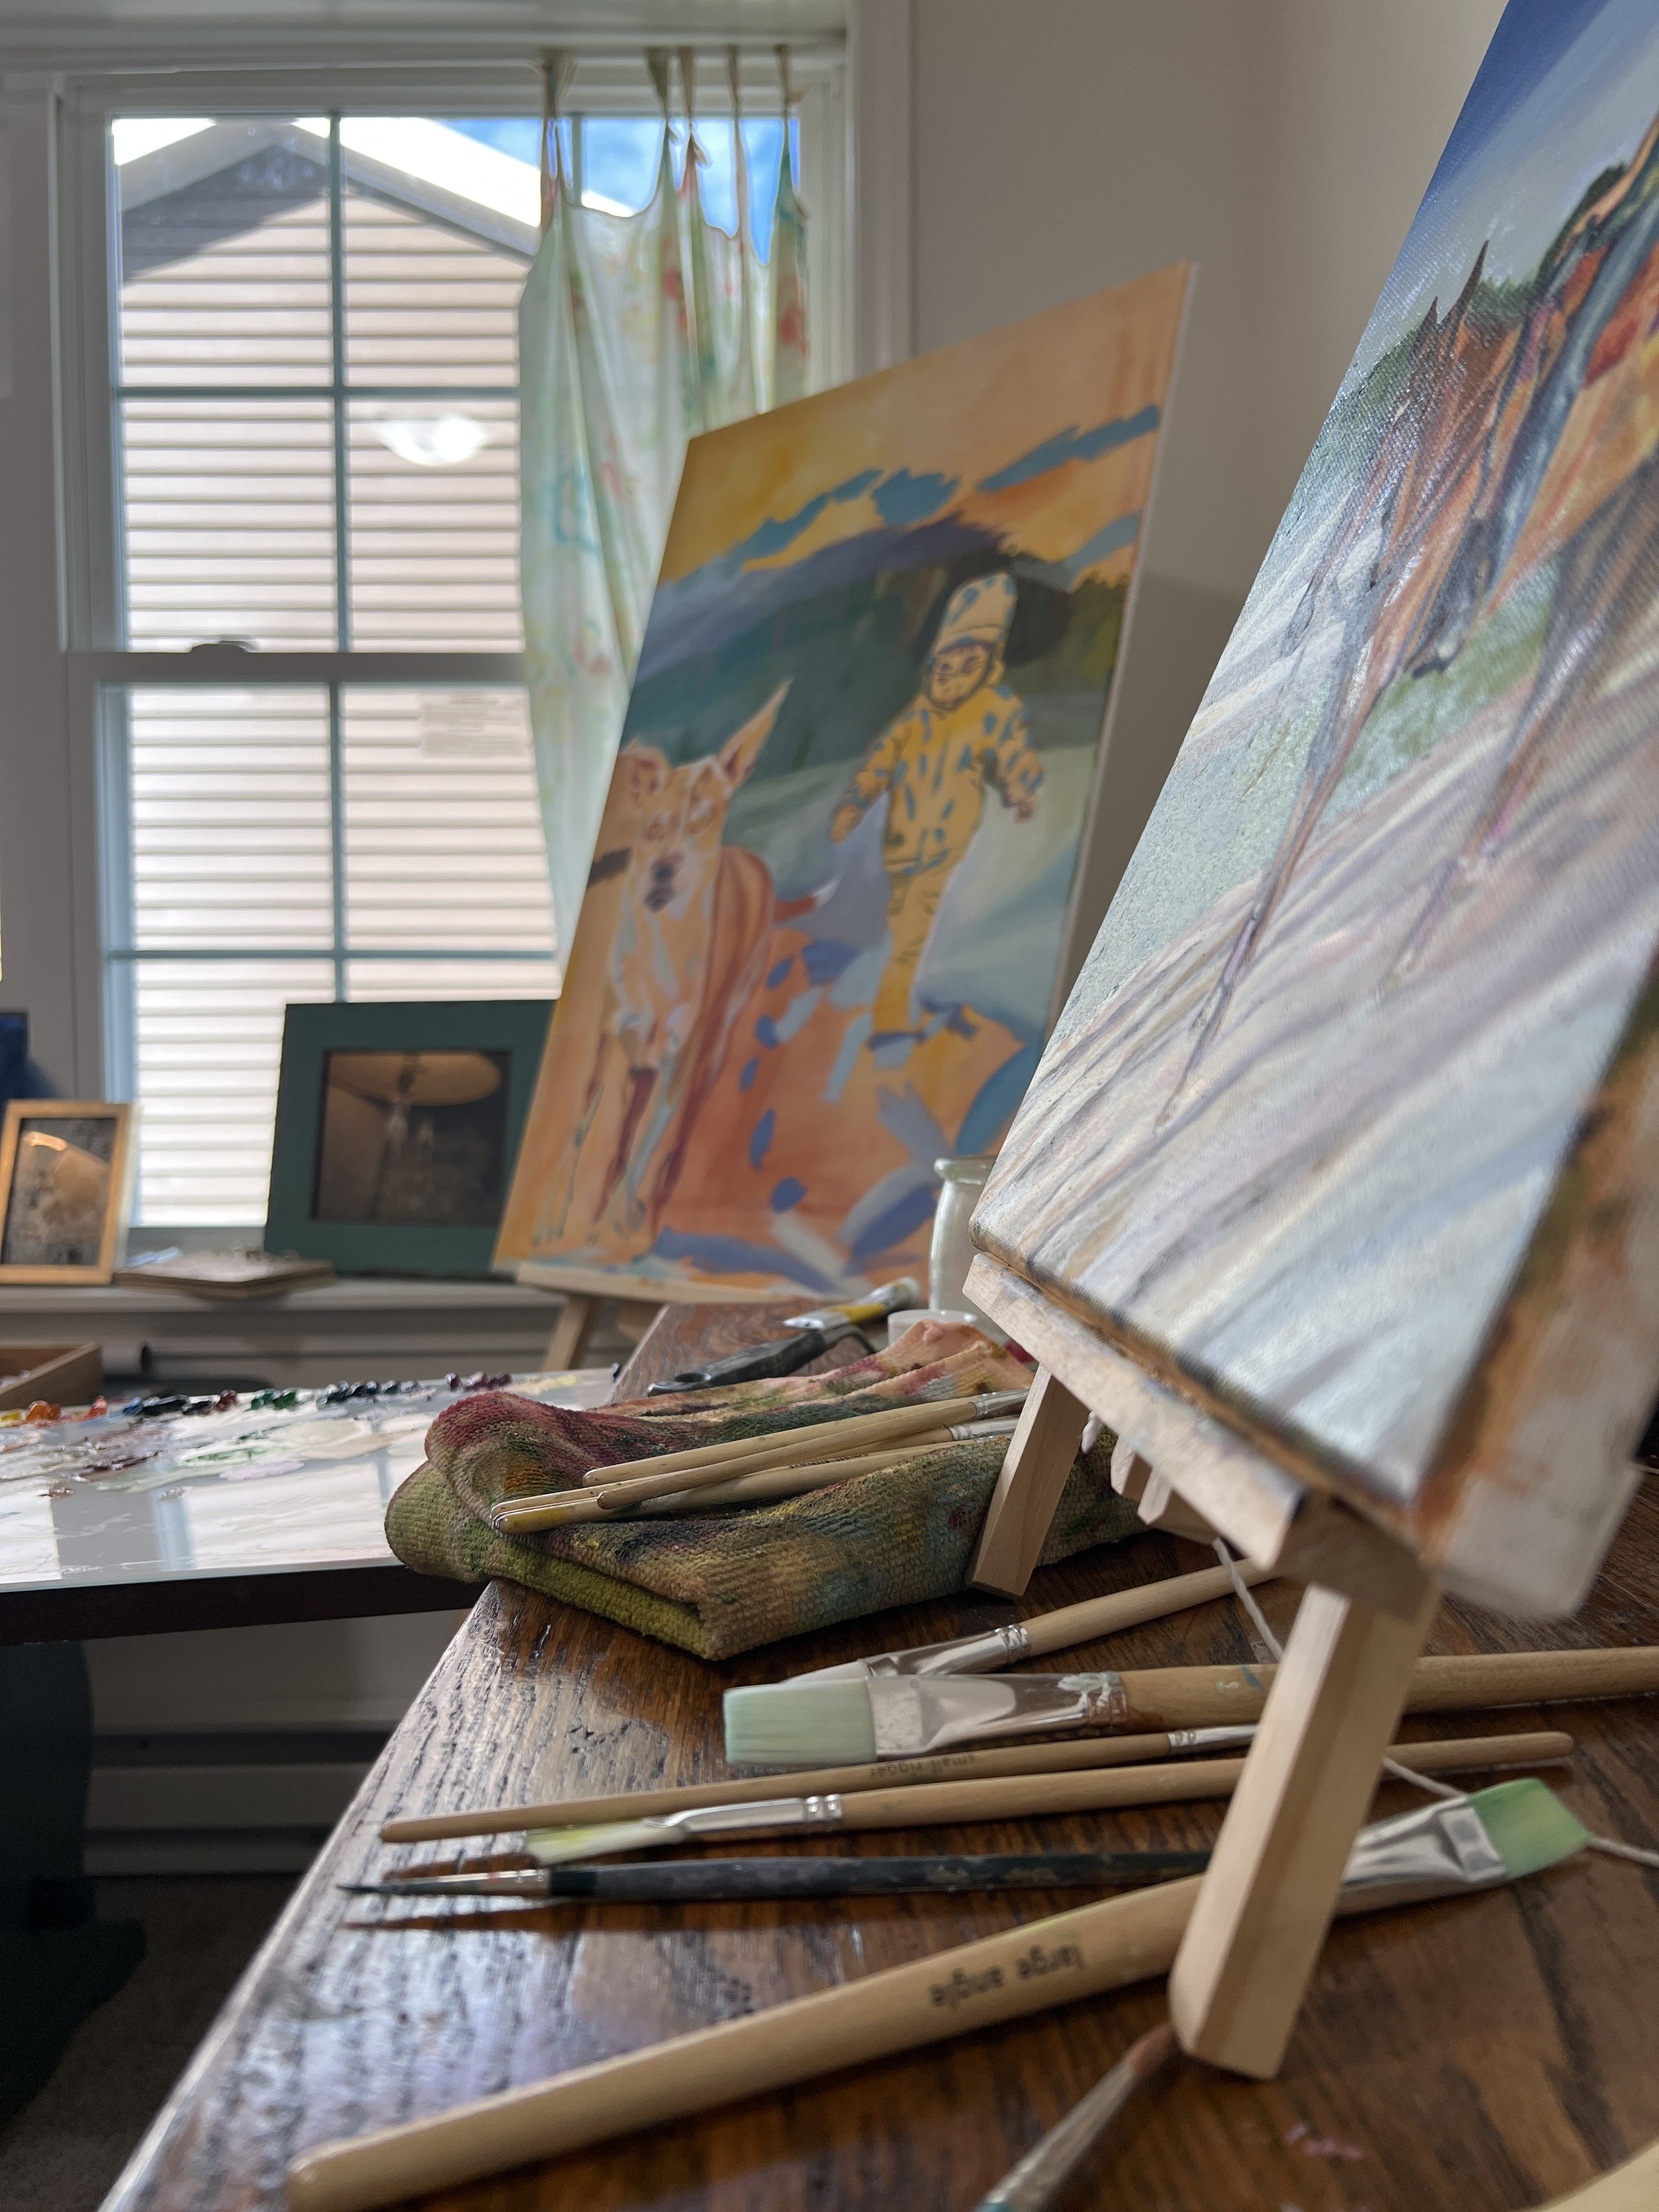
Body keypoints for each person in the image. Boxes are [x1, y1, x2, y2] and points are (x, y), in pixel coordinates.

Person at [830, 571, 1043, 1043]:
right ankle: (891, 993)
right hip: (903, 840)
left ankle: (890, 1018)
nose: (953, 679)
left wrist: (1022, 789)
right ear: (933, 667)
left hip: (944, 840)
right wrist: (854, 803)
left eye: (968, 666)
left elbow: (1012, 751)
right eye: (945, 668)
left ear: (989, 664)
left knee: (910, 933)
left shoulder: (991, 708)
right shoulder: (914, 720)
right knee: (902, 922)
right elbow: (879, 761)